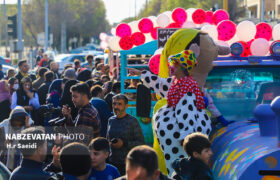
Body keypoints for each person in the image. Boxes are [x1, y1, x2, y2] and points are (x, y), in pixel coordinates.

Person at [106, 94, 145, 175]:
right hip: (112, 162)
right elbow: (107, 139)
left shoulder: (132, 121)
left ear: (126, 106)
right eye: (114, 103)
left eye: (119, 104)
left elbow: (141, 143)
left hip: (128, 164)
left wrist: (124, 143)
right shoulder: (111, 120)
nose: (116, 106)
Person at [0, 106, 33, 170]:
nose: (18, 122)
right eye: (16, 119)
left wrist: (27, 125)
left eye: (20, 119)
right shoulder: (5, 125)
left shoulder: (28, 124)